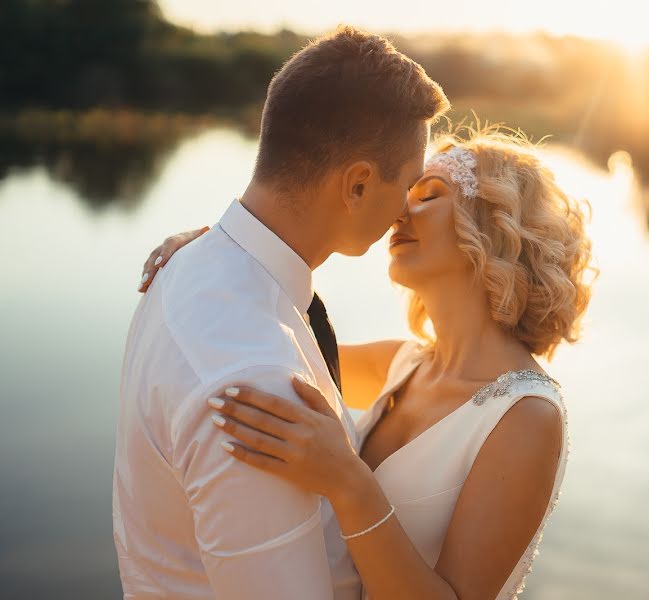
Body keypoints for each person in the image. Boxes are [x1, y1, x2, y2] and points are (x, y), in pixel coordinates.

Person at [139, 126, 595, 598]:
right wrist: (218, 254)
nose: (400, 211)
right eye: (405, 194)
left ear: (493, 228)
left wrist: (347, 483)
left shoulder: (527, 416)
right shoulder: (402, 365)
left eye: (429, 196)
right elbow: (272, 339)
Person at [114, 25, 449, 600]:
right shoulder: (257, 391)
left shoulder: (202, 268)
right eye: (408, 186)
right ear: (358, 185)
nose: (405, 213)